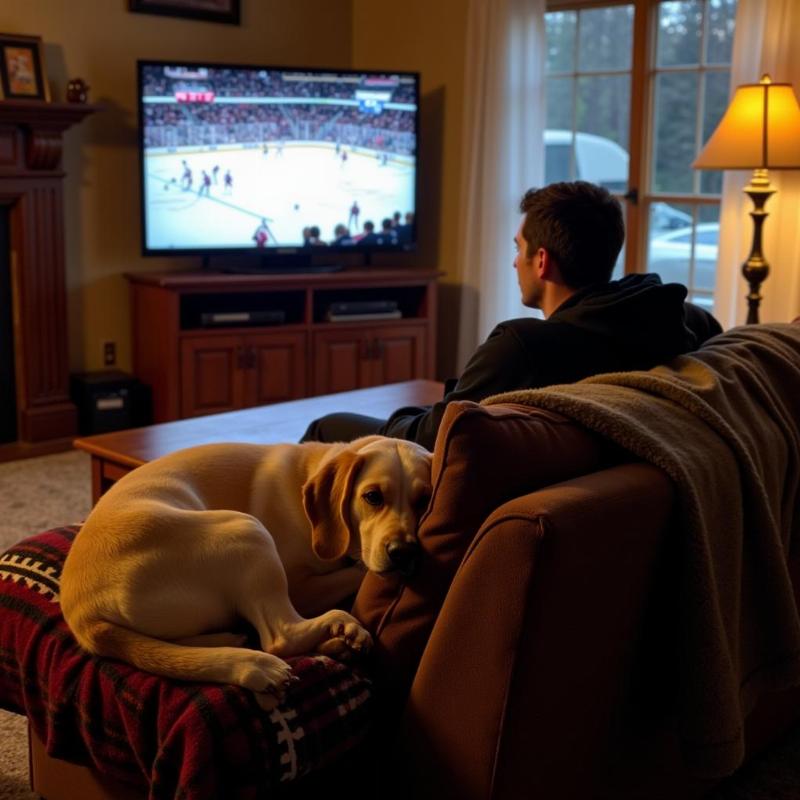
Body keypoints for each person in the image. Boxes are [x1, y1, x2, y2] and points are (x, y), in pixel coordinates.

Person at [300, 181, 723, 451]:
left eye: (517, 248)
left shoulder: (522, 349)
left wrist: (405, 418)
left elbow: (432, 439)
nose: (513, 262)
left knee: (327, 427)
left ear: (541, 261)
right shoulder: (685, 321)